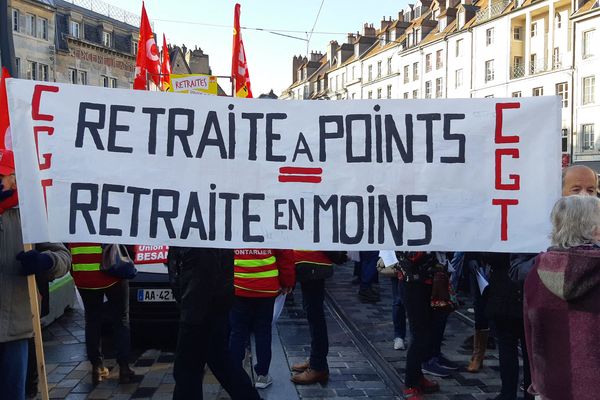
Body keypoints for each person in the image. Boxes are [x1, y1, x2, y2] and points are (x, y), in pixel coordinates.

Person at [0, 149, 71, 400]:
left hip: (15, 328)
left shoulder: (31, 213)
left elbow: (64, 258)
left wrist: (45, 261)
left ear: (15, 179)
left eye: (1, 175)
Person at [524, 195, 600, 400]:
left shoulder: (536, 270)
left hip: (551, 384)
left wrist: (537, 383)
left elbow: (530, 333)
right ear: (593, 227)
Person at [168, 247, 261, 400]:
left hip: (198, 305)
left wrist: (189, 312)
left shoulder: (201, 243)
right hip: (211, 300)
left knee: (187, 368)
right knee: (220, 359)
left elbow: (200, 274)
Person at [69, 243, 138, 385]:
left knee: (92, 320)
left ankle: (97, 368)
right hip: (112, 272)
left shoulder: (72, 220)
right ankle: (124, 368)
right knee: (121, 319)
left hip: (83, 274)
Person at [229, 249, 295, 389]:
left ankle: (234, 374)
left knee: (237, 332)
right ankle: (262, 375)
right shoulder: (272, 226)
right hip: (266, 287)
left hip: (240, 285)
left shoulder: (234, 226)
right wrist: (287, 282)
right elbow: (284, 253)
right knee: (263, 332)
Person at [395, 251, 448, 399]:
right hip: (413, 282)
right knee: (419, 334)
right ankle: (410, 384)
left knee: (427, 332)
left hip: (428, 280)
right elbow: (413, 255)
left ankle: (417, 377)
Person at [290, 250, 345, 385]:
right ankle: (316, 360)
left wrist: (338, 256)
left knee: (315, 316)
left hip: (313, 264)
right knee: (313, 314)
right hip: (309, 263)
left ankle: (318, 365)